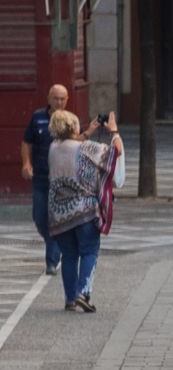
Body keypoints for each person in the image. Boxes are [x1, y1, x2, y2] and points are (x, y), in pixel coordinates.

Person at [46, 109, 123, 312]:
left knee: (69, 255)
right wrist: (114, 131)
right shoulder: (86, 148)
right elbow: (115, 152)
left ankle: (71, 298)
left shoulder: (53, 147)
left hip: (59, 212)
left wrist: (90, 129)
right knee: (89, 251)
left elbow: (74, 142)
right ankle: (84, 292)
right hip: (84, 211)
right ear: (72, 127)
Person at [19, 83, 65, 273]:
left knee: (54, 219)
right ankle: (54, 243)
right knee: (39, 217)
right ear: (48, 99)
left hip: (61, 180)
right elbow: (26, 142)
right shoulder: (38, 118)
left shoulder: (70, 120)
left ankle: (51, 261)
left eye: (62, 99)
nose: (59, 102)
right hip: (40, 177)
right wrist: (26, 163)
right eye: (56, 98)